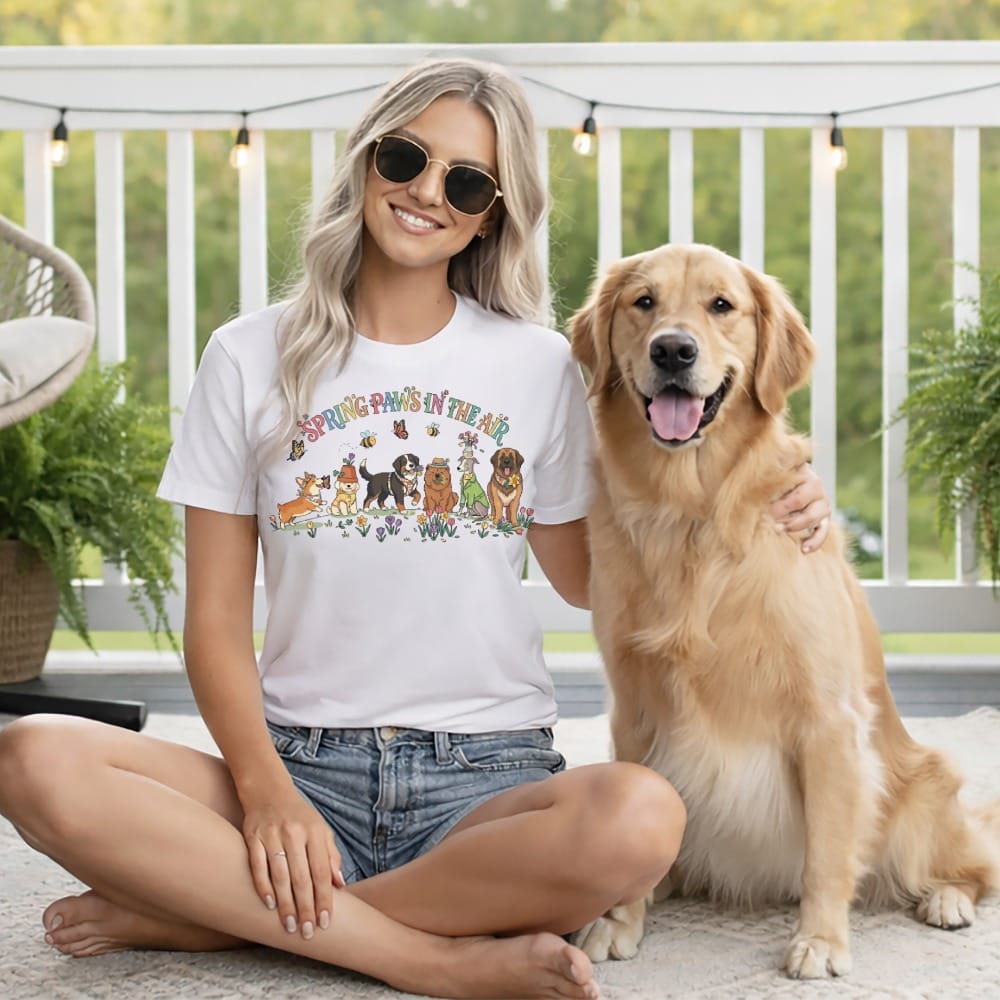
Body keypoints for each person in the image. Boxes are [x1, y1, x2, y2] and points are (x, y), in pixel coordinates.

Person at [0, 57, 831, 999]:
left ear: (492, 215)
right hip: (297, 759)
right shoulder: (244, 356)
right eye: (407, 158)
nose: (427, 192)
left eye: (466, 182)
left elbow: (594, 573)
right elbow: (215, 627)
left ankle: (211, 914)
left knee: (640, 820)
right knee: (34, 757)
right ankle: (421, 953)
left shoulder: (538, 367)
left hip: (485, 776)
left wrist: (767, 500)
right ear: (366, 161)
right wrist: (268, 798)